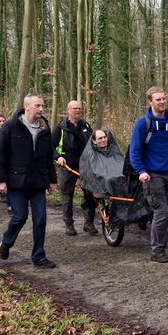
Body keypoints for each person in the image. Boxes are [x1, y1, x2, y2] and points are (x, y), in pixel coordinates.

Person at [129, 86, 168, 263]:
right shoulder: (143, 123)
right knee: (162, 211)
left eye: (164, 98)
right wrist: (141, 171)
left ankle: (153, 225)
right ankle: (157, 251)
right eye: (158, 99)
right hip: (151, 175)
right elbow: (134, 151)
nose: (162, 102)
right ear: (150, 102)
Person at [0, 94, 58, 268]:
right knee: (20, 217)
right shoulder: (10, 126)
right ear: (26, 106)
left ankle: (39, 256)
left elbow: (47, 155)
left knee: (40, 219)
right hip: (17, 181)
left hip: (38, 181)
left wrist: (52, 180)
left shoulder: (44, 128)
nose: (41, 109)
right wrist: (0, 180)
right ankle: (6, 242)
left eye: (42, 106)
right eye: (38, 105)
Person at [52, 100, 95, 236]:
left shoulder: (86, 126)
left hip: (85, 166)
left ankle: (89, 223)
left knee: (90, 193)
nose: (78, 111)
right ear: (68, 110)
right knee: (67, 195)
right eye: (75, 108)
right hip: (67, 167)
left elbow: (93, 143)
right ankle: (69, 224)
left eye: (79, 108)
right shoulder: (61, 128)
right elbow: (50, 147)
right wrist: (58, 157)